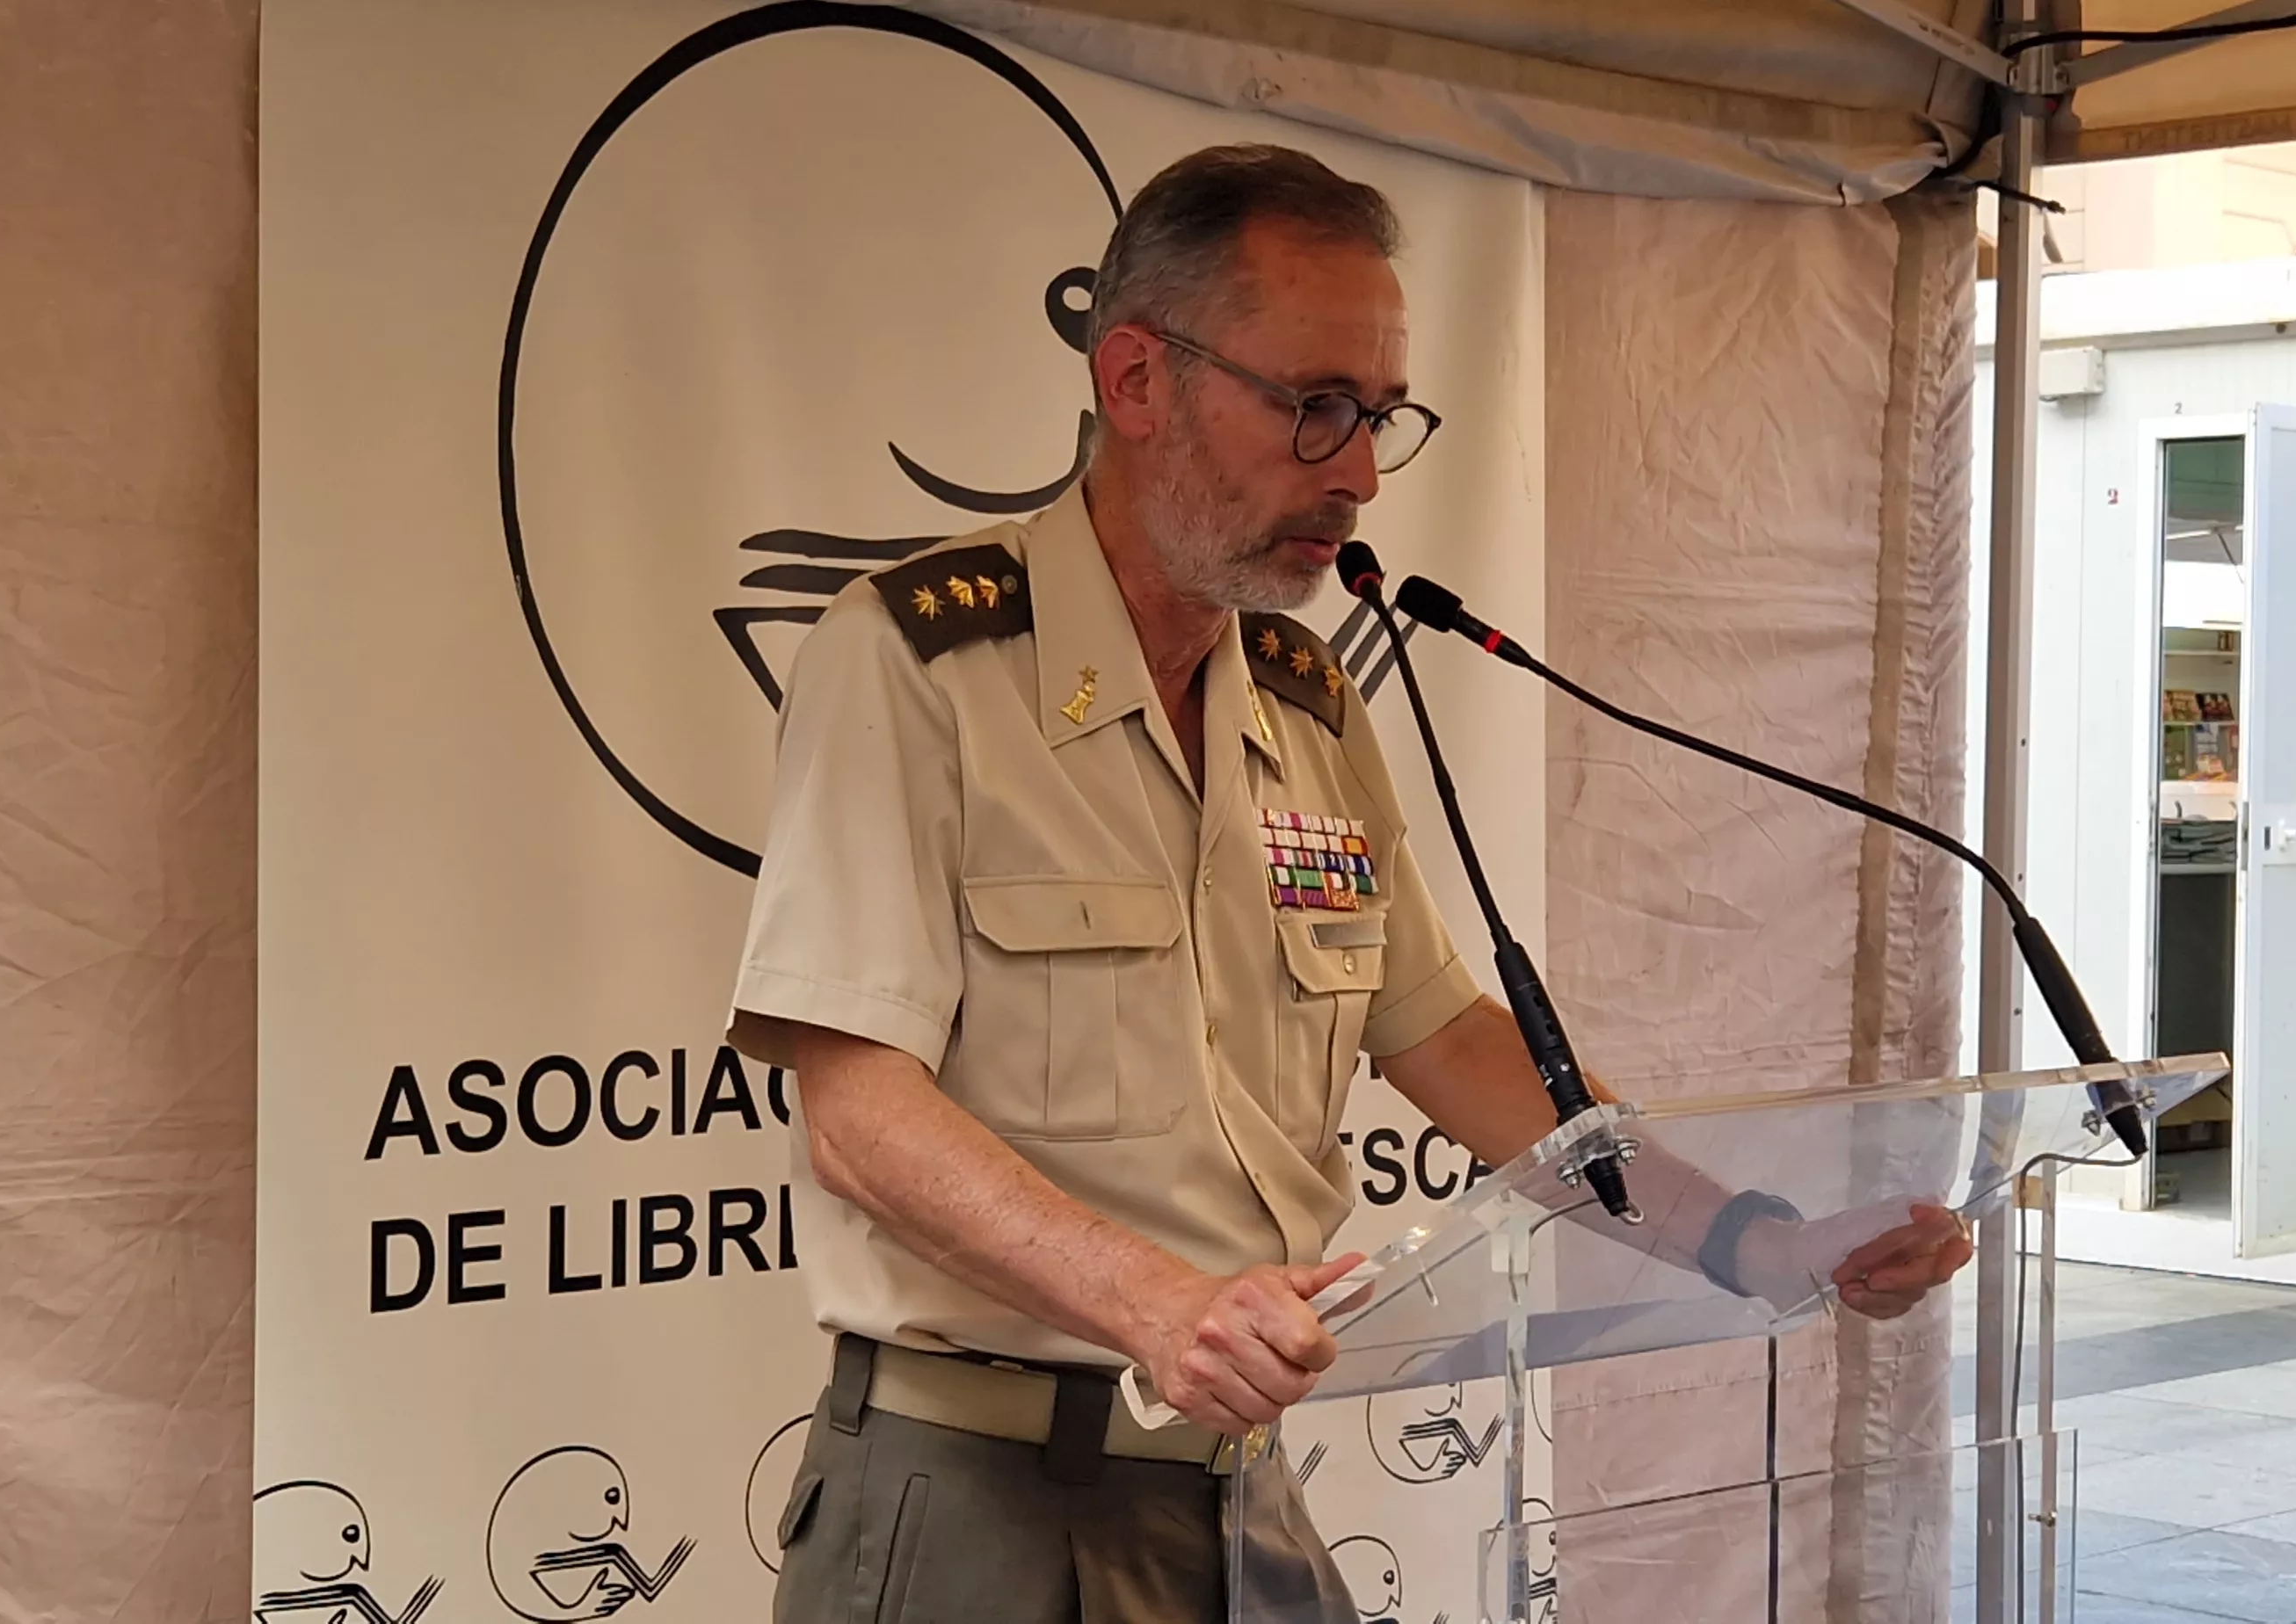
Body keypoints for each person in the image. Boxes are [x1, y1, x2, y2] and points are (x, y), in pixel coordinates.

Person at [726, 143, 1973, 1624]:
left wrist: (1756, 1239)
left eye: (1380, 416)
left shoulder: (1304, 701)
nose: (1361, 473)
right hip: (977, 1504)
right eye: (1314, 405)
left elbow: (1449, 1043)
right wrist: (1162, 1308)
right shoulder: (919, 663)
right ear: (1138, 381)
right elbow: (859, 1113)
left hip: (1238, 1487)